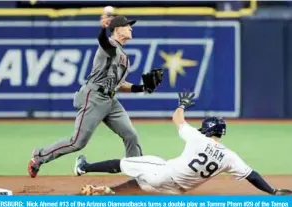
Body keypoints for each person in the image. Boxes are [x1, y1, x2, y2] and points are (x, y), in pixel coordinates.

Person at [75, 92, 292, 195]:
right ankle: (107, 192)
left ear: (207, 129)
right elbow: (252, 175)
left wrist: (183, 104)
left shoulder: (198, 138)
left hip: (165, 174)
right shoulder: (229, 156)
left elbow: (177, 119)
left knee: (128, 163)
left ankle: (83, 167)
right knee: (139, 183)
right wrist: (272, 191)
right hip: (177, 190)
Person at [27, 13, 164, 178]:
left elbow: (119, 84)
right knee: (77, 142)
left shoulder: (124, 57)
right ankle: (39, 156)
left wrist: (141, 88)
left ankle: (138, 173)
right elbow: (103, 41)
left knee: (130, 135)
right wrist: (103, 29)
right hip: (94, 97)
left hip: (110, 100)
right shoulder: (110, 45)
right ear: (117, 29)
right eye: (127, 25)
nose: (131, 27)